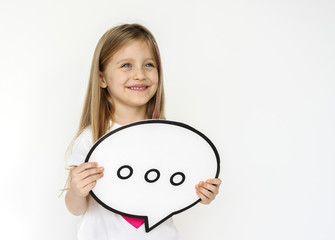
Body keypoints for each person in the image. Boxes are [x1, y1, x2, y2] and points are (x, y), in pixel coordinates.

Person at [65, 23, 222, 240]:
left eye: (149, 64)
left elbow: (178, 187)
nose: (139, 74)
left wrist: (200, 193)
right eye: (126, 65)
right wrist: (76, 189)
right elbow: (76, 208)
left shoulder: (171, 138)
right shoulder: (92, 138)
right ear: (102, 78)